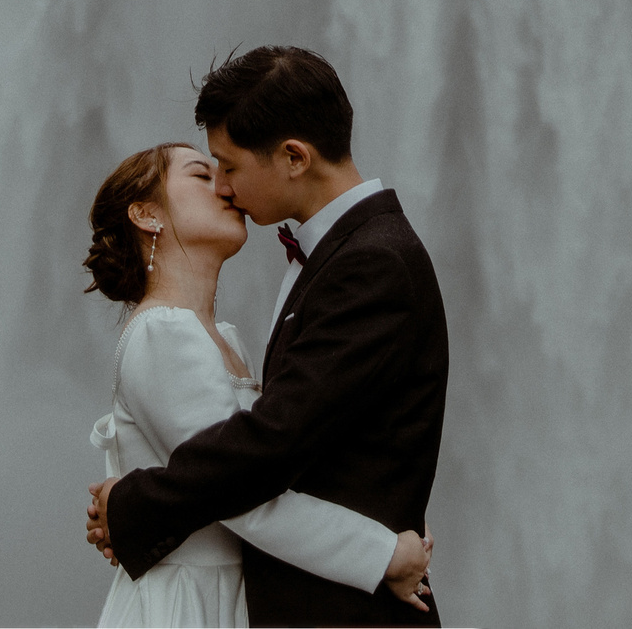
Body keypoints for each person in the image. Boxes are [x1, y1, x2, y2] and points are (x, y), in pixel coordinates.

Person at [87, 47, 448, 627]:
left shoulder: (369, 262)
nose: (225, 188)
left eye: (225, 167)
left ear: (293, 158)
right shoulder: (337, 258)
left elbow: (272, 445)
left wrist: (136, 504)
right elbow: (286, 442)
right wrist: (383, 544)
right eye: (206, 173)